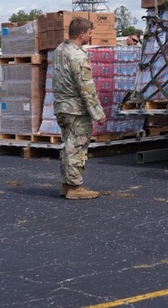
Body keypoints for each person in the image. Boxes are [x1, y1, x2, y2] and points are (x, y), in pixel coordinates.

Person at [52, 17, 106, 199]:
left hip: (62, 107)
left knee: (68, 146)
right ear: (82, 34)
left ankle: (67, 184)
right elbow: (86, 88)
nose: (90, 37)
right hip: (76, 110)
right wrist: (98, 113)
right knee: (77, 147)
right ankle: (75, 188)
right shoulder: (78, 55)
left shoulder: (60, 50)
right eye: (89, 33)